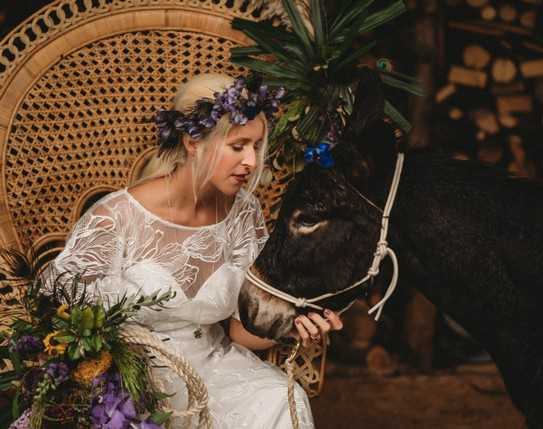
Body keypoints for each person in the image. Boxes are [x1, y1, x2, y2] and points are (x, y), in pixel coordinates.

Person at [47, 73, 343, 428]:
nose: (250, 161)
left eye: (256, 146)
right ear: (193, 142)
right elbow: (62, 316)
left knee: (280, 396)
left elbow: (241, 331)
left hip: (218, 369)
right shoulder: (116, 218)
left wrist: (288, 325)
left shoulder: (243, 214)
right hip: (133, 382)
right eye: (238, 146)